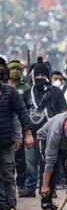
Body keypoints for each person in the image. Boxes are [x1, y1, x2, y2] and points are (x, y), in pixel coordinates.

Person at [20, 62, 67, 198]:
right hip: (32, 134)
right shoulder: (27, 93)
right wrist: (25, 133)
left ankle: (49, 189)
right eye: (38, 75)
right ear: (33, 76)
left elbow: (63, 111)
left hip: (51, 136)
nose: (41, 77)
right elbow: (22, 114)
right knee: (30, 164)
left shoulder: (56, 92)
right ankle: (30, 187)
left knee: (49, 164)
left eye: (44, 75)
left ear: (48, 76)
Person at [0, 80, 34, 210]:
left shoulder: (10, 92)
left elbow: (22, 113)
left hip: (6, 143)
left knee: (8, 175)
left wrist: (27, 134)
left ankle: (11, 209)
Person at [7, 60, 30, 192]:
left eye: (17, 68)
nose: (15, 71)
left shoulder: (25, 88)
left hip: (20, 126)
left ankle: (21, 183)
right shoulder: (4, 87)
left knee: (20, 158)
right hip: (6, 126)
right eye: (12, 68)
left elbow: (24, 110)